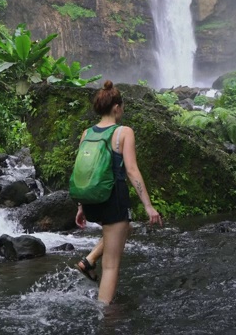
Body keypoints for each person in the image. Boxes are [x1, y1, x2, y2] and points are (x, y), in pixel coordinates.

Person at [74, 80, 163, 305]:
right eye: (122, 106)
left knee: (124, 229)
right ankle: (106, 317)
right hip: (113, 199)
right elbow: (132, 171)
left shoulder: (86, 133)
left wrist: (81, 206)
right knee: (112, 265)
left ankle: (90, 259)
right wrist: (148, 206)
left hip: (92, 201)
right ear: (116, 107)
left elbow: (83, 172)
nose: (122, 110)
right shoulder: (123, 132)